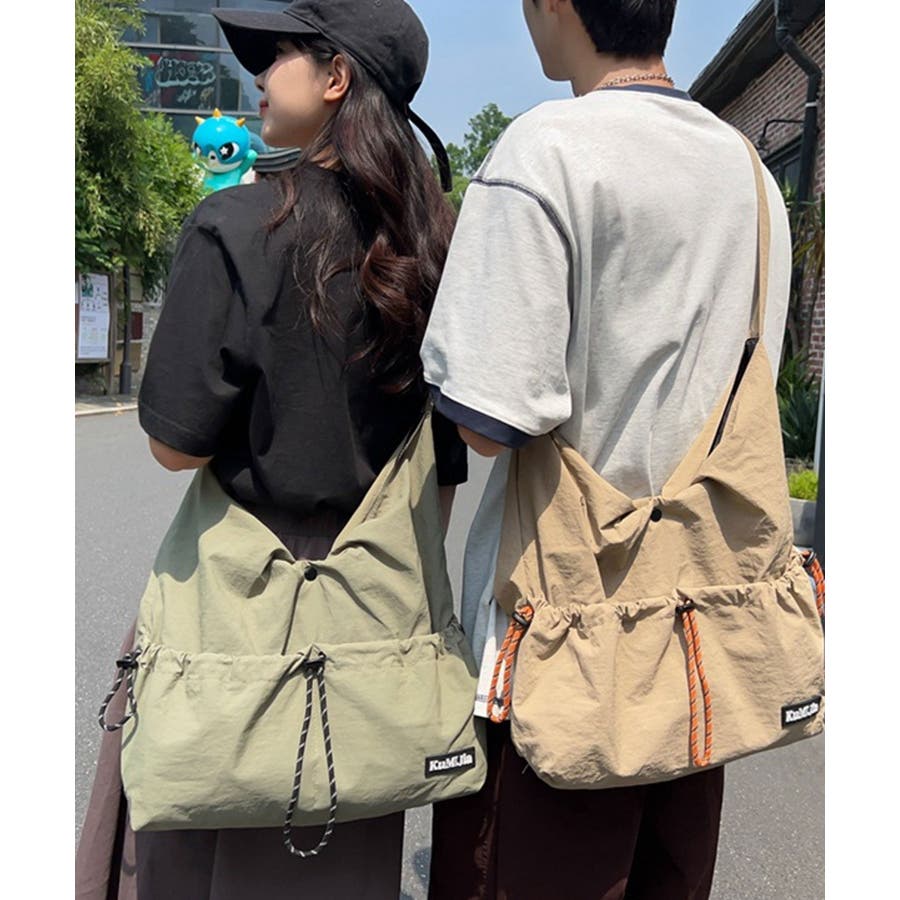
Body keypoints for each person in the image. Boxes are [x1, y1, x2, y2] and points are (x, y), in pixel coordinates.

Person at [75, 2, 466, 898]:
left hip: (238, 601)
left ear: (336, 77)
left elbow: (174, 447)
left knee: (196, 828)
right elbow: (443, 471)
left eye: (280, 52)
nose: (259, 72)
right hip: (373, 611)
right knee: (345, 826)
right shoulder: (435, 249)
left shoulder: (237, 224)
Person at [420, 1, 793, 898]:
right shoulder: (753, 176)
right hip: (701, 640)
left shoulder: (545, 152)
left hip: (561, 645)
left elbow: (488, 419)